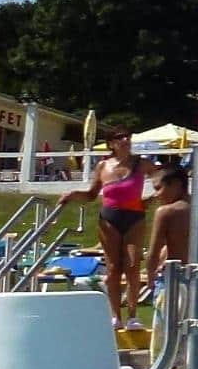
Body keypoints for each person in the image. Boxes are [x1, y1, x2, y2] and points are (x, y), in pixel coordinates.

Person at [59, 127, 149, 329]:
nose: (126, 140)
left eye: (128, 137)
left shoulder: (140, 163)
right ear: (111, 143)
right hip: (109, 218)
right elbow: (91, 195)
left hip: (135, 216)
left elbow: (164, 179)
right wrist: (73, 194)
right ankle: (116, 315)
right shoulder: (103, 166)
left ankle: (133, 315)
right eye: (120, 138)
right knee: (113, 268)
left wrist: (152, 198)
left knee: (133, 265)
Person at [141, 158, 190, 369]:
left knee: (164, 358)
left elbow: (153, 253)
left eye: (158, 187)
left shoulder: (166, 212)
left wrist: (148, 279)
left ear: (174, 185)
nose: (156, 194)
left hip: (174, 287)